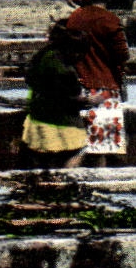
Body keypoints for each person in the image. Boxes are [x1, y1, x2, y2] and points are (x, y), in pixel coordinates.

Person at [65, 0, 129, 165]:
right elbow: (122, 55)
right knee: (103, 147)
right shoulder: (110, 20)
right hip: (104, 89)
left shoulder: (75, 18)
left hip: (78, 87)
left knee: (91, 144)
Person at [22, 21, 89, 169]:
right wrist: (88, 100)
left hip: (37, 117)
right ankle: (65, 178)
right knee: (82, 149)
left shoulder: (43, 55)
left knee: (45, 160)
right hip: (58, 121)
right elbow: (68, 98)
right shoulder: (61, 65)